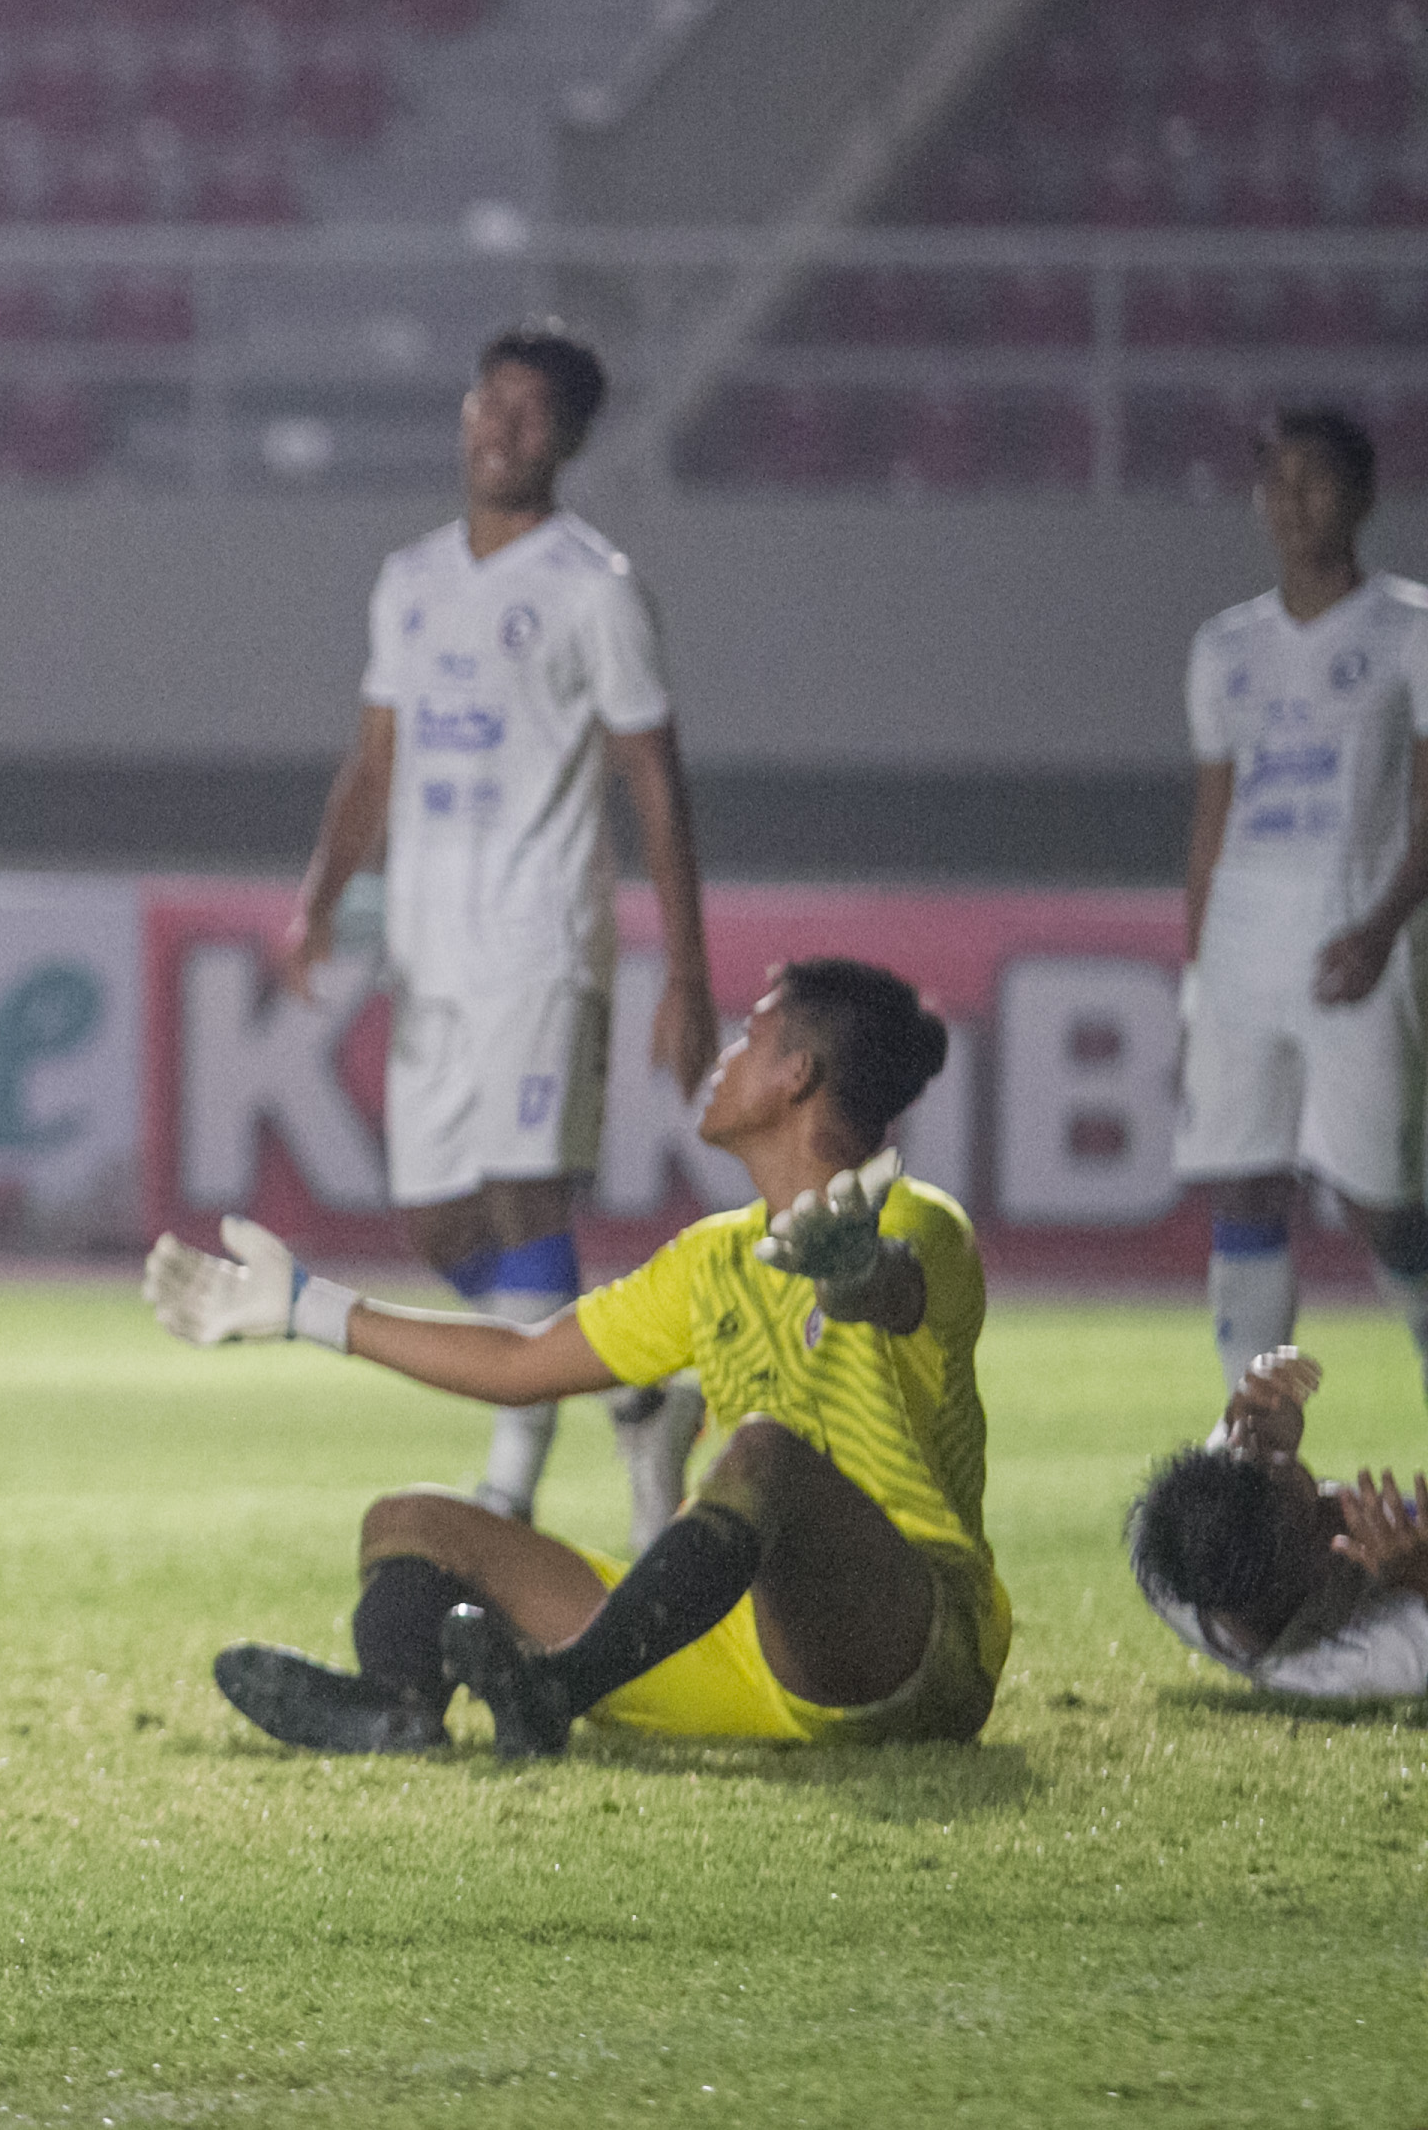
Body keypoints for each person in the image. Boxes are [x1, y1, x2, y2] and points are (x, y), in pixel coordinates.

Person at [147, 957, 1008, 1757]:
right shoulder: (712, 1259)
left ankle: (553, 1691)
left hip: (906, 1654)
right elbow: (522, 1361)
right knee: (410, 1521)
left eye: (751, 1034)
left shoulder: (918, 1223)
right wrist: (307, 1306)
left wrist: (851, 1275)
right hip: (740, 1654)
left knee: (765, 1452)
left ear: (799, 1075)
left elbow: (890, 1288)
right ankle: (397, 1709)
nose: (724, 1053)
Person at [273, 324, 719, 1543]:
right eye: (488, 403)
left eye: (530, 414)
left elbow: (653, 779)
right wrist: (317, 901)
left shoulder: (593, 586)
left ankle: (506, 1488)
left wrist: (684, 969)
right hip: (427, 951)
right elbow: (372, 761)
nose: (499, 428)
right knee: (435, 1223)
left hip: (539, 941)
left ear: (568, 440)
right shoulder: (408, 579)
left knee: (527, 1198)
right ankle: (633, 1386)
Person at [1176, 406, 1428, 1398]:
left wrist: (1378, 927)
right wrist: (1195, 975)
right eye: (1272, 481)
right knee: (1242, 1180)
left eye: (1312, 480)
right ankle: (1248, 1437)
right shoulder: (1222, 646)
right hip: (1243, 952)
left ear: (1360, 495)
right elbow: (1210, 824)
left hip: (1356, 942)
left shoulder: (1407, 631)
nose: (1288, 501)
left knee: (1382, 1203)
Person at [1128, 1346, 1428, 1700]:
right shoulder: (1366, 1661)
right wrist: (1419, 1574)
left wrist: (1240, 1414)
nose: (1246, 1443)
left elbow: (1213, 1494)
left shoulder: (1175, 1542)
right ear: (1317, 1564)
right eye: (1317, 1505)